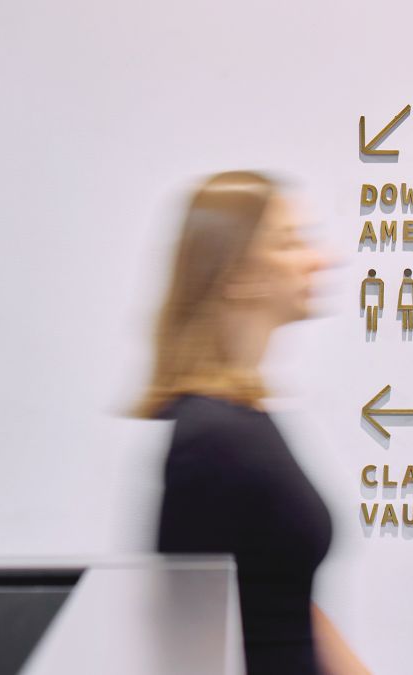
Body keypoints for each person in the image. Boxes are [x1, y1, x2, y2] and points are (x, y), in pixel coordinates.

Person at [131, 170, 371, 674]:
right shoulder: (212, 441)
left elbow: (280, 597)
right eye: (289, 242)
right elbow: (183, 643)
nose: (319, 259)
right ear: (235, 273)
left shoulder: (247, 419)